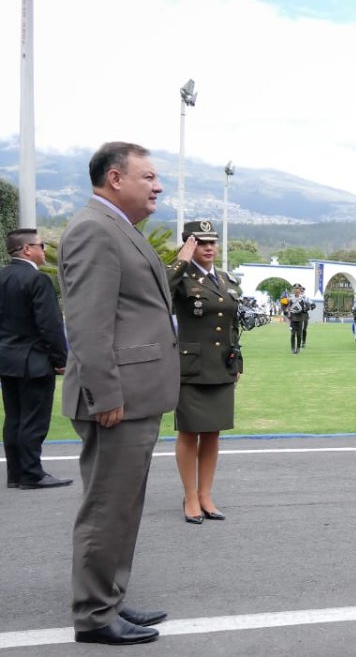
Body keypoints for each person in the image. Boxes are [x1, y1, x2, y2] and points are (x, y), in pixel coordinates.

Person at [60, 142, 178, 645]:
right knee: (108, 508)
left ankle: (108, 596)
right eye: (148, 177)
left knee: (122, 507)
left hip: (135, 396)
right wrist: (105, 394)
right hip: (116, 401)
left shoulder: (117, 227)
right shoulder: (95, 229)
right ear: (115, 178)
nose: (158, 186)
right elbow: (87, 323)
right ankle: (94, 615)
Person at [167, 220, 244, 525]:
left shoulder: (224, 279)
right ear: (189, 245)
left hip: (221, 365)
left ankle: (205, 495)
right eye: (201, 242)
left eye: (213, 242)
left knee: (213, 432)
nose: (209, 248)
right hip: (191, 367)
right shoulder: (181, 278)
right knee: (189, 432)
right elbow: (158, 291)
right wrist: (181, 261)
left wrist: (237, 362)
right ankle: (190, 496)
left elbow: (232, 325)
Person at [0, 228, 71, 490]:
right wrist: (61, 359)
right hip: (34, 361)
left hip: (6, 360)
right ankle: (32, 473)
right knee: (34, 420)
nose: (44, 251)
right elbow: (49, 325)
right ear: (27, 249)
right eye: (41, 246)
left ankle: (16, 473)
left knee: (14, 418)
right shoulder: (38, 280)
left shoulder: (2, 276)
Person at [284, 284, 313, 354]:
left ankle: (298, 348)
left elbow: (309, 306)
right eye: (295, 289)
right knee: (293, 334)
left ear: (300, 291)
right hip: (292, 318)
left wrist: (307, 309)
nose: (297, 291)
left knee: (299, 334)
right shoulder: (290, 299)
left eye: (298, 289)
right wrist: (287, 314)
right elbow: (286, 308)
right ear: (294, 291)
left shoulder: (303, 299)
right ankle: (293, 348)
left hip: (300, 318)